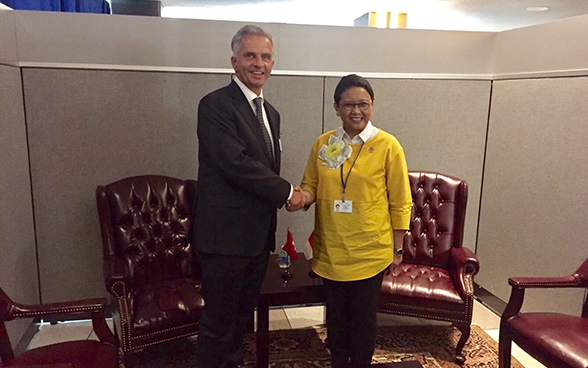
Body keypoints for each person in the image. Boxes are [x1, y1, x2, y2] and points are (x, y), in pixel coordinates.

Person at [192, 25, 305, 368]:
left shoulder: (271, 113)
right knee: (219, 326)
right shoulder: (214, 105)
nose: (259, 63)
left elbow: (262, 167)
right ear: (234, 61)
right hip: (224, 241)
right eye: (250, 55)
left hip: (257, 239)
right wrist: (288, 192)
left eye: (266, 56)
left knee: (242, 322)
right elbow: (236, 163)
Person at [298, 74, 412, 368]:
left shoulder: (388, 145)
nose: (356, 111)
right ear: (336, 107)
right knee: (336, 321)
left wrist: (397, 249)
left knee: (363, 322)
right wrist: (298, 198)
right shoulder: (323, 145)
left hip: (370, 251)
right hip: (332, 250)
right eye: (348, 105)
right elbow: (310, 185)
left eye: (364, 104)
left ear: (372, 105)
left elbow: (401, 201)